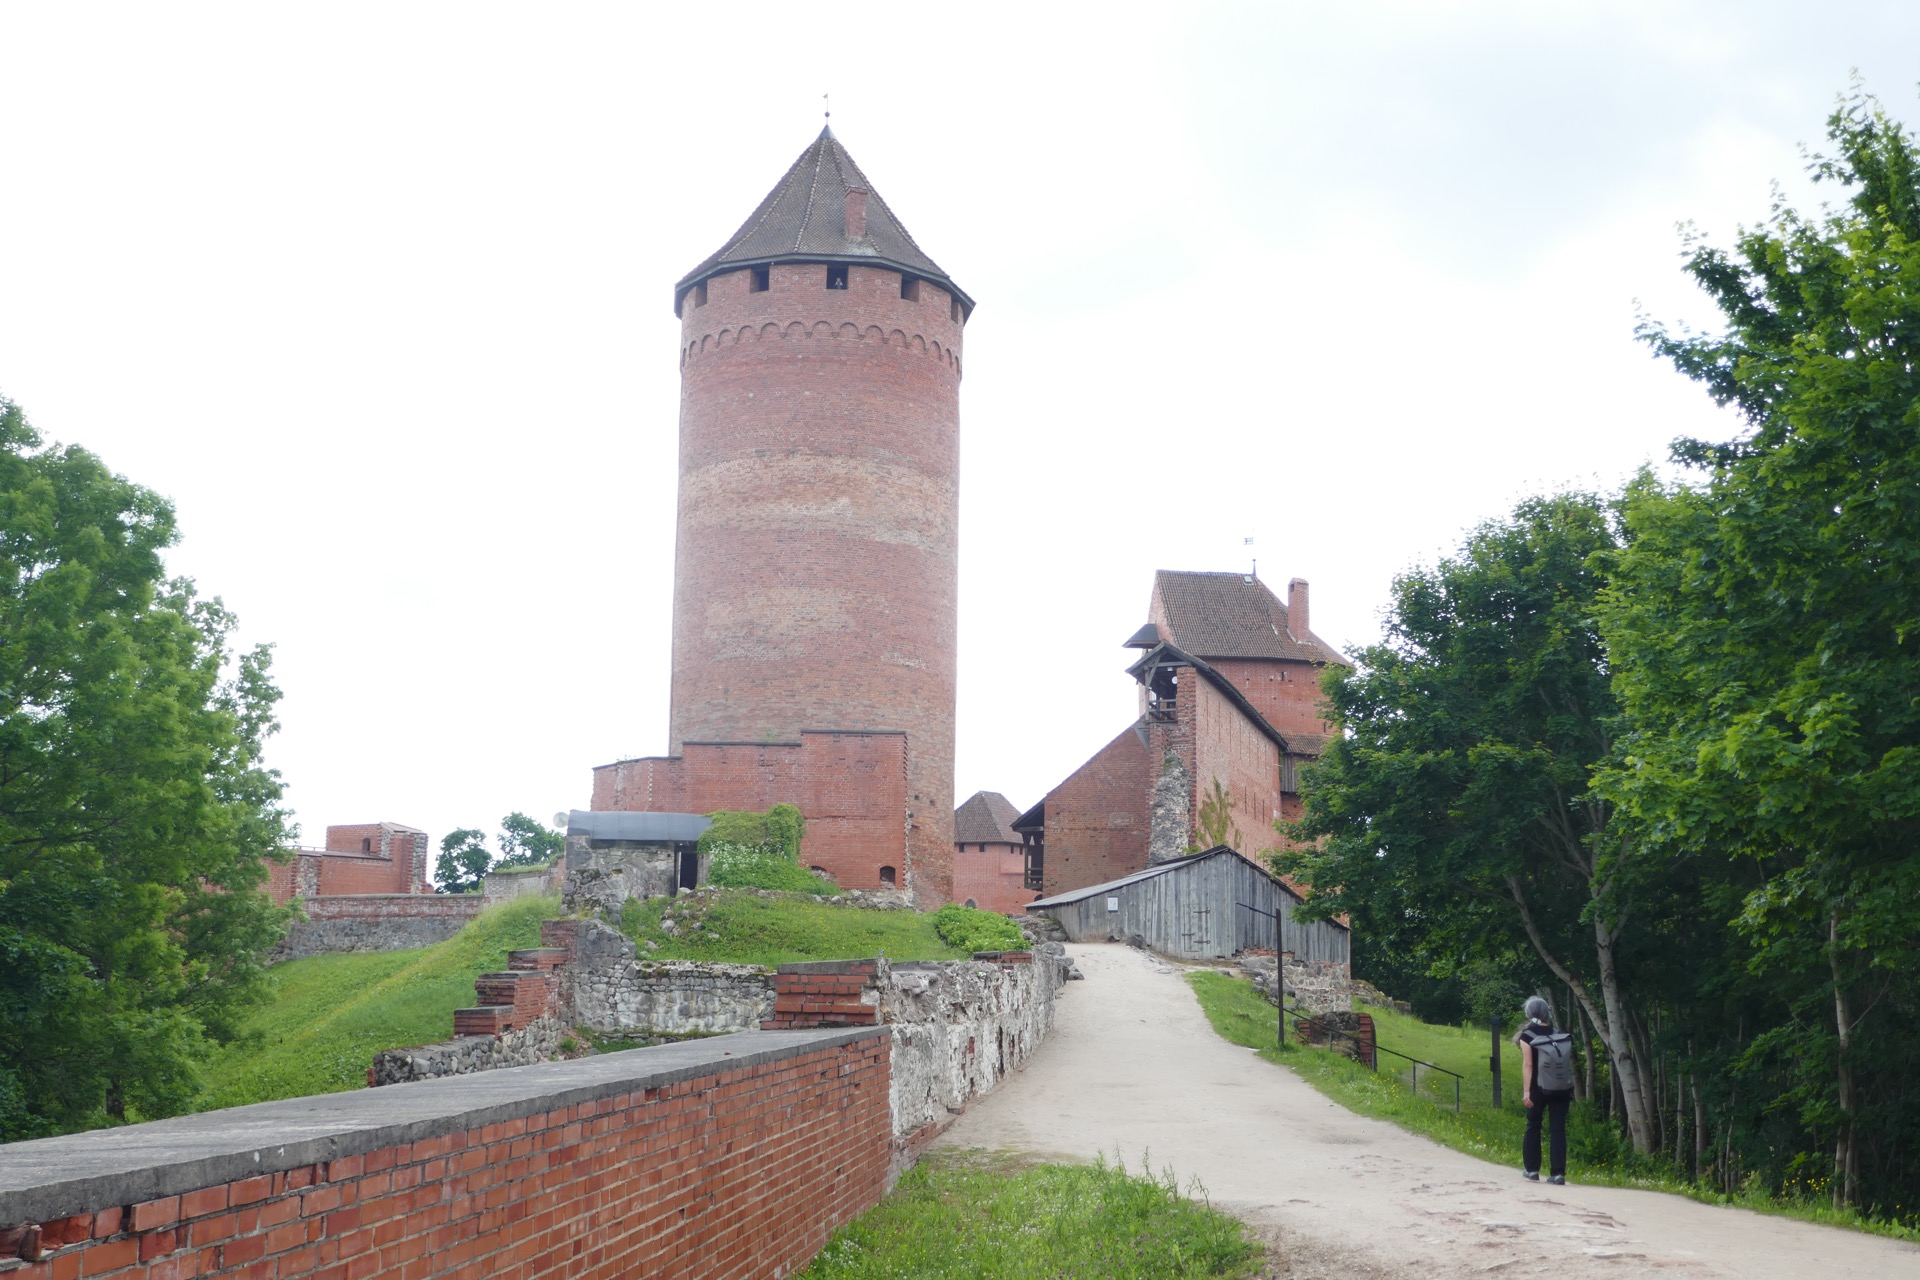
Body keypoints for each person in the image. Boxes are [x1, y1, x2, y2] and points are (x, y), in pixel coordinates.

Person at [1515, 995, 1573, 1185]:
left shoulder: (1527, 1036)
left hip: (1537, 1088)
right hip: (1561, 1088)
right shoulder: (1558, 1034)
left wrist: (1526, 1092)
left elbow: (1529, 1065)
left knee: (1533, 1125)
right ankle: (1558, 1174)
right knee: (1558, 1129)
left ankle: (1532, 1170)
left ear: (1529, 1013)